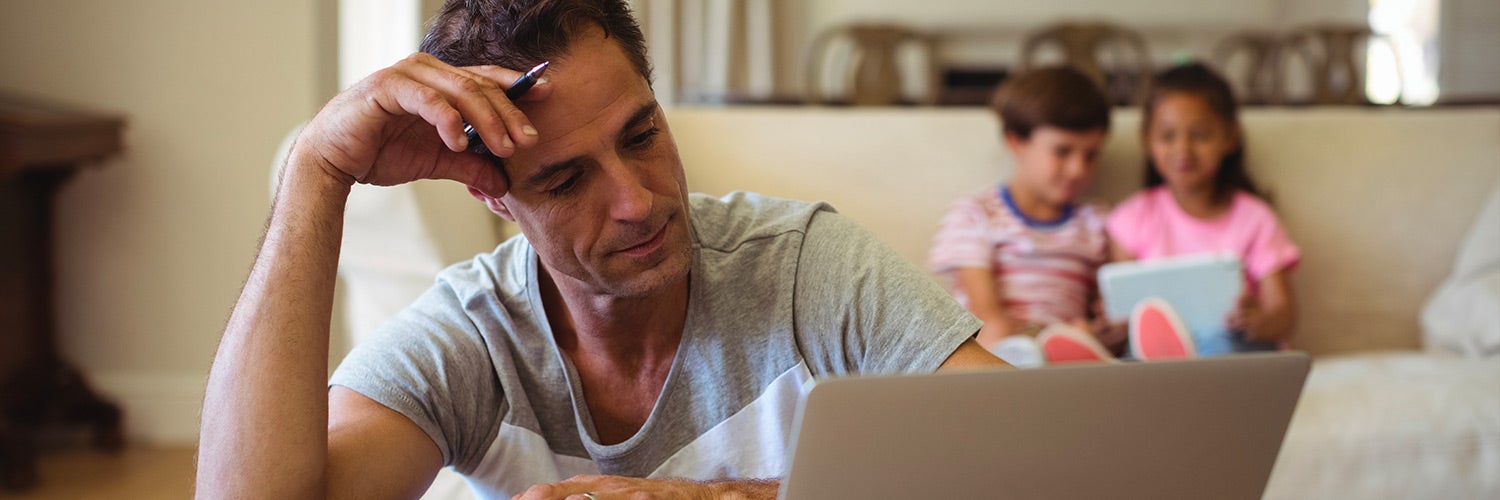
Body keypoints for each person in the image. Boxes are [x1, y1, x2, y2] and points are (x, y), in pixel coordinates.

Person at [195, 0, 1003, 498]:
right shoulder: (473, 334)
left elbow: (1034, 466)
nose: (637, 200)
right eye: (565, 180)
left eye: (642, 135)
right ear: (494, 195)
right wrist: (316, 172)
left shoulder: (803, 267)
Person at [1099, 62, 1300, 360]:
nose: (1184, 150)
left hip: (1235, 351)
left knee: (1216, 336)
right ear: (1147, 140)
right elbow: (1124, 304)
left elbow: (1285, 315)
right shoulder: (1132, 218)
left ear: (1229, 138)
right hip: (1154, 359)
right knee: (1134, 353)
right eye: (1168, 136)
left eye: (1201, 135)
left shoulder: (1255, 218)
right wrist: (1114, 324)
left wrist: (1260, 321)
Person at [928, 67, 1120, 367]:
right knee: (996, 337)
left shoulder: (1095, 222)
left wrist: (1097, 331)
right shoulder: (976, 215)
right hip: (998, 348)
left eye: (1090, 155)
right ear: (1017, 141)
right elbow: (987, 317)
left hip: (1070, 351)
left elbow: (1106, 306)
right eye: (1063, 151)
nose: (1078, 170)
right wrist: (1042, 337)